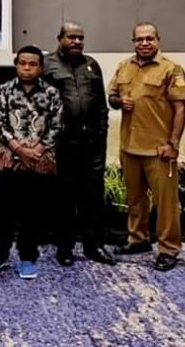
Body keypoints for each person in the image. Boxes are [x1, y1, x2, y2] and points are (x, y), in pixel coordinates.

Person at [108, 23, 185, 272]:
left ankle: (168, 248)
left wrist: (173, 143)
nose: (144, 43)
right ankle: (138, 239)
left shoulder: (171, 68)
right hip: (130, 146)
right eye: (139, 39)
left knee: (166, 204)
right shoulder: (124, 66)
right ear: (133, 41)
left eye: (149, 39)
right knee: (135, 199)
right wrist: (119, 101)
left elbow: (180, 108)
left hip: (159, 149)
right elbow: (111, 97)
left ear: (158, 40)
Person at [0, 45, 63, 280]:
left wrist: (37, 149)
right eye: (22, 63)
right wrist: (18, 149)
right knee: (1, 211)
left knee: (33, 212)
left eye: (33, 64)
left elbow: (57, 124)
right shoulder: (4, 90)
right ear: (16, 65)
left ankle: (28, 257)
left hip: (39, 159)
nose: (27, 68)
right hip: (9, 159)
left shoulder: (51, 93)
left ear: (41, 68)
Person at [44, 22, 115, 266]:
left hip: (92, 142)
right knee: (65, 196)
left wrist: (102, 134)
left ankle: (94, 246)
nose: (77, 42)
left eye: (80, 38)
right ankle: (65, 247)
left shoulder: (91, 64)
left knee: (93, 195)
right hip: (63, 142)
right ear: (60, 38)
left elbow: (101, 103)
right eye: (71, 37)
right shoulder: (47, 64)